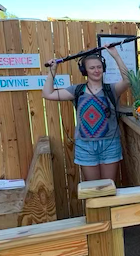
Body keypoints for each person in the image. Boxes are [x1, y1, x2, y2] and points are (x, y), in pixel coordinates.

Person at [43, 46, 130, 183]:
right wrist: (52, 71)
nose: (96, 70)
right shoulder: (76, 90)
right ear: (84, 71)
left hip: (110, 144)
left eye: (99, 67)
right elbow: (48, 94)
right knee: (92, 189)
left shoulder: (111, 90)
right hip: (85, 146)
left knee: (108, 187)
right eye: (92, 68)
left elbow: (127, 81)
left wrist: (116, 56)